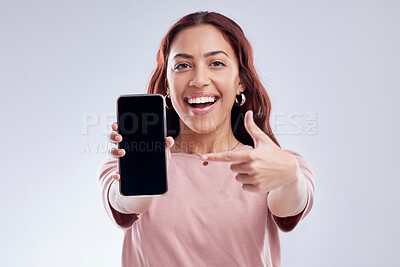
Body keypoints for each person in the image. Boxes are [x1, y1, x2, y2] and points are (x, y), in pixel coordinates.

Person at [97, 11, 315, 267]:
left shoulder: (275, 165)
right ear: (167, 84)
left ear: (241, 82)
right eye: (182, 65)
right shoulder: (123, 166)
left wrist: (289, 177)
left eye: (217, 63)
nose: (199, 80)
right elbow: (126, 204)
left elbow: (288, 208)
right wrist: (144, 169)